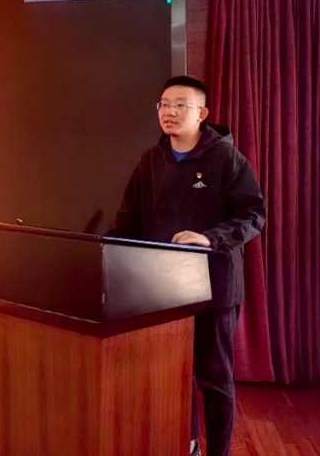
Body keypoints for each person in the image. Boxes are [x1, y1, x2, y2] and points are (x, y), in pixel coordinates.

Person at [108, 75, 265, 456]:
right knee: (172, 376)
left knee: (213, 378)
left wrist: (210, 238)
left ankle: (218, 452)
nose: (170, 112)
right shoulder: (151, 160)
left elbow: (253, 214)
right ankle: (187, 444)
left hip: (213, 287)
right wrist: (105, 253)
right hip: (161, 289)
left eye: (181, 105)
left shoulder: (226, 158)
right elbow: (128, 220)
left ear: (202, 114)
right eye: (164, 104)